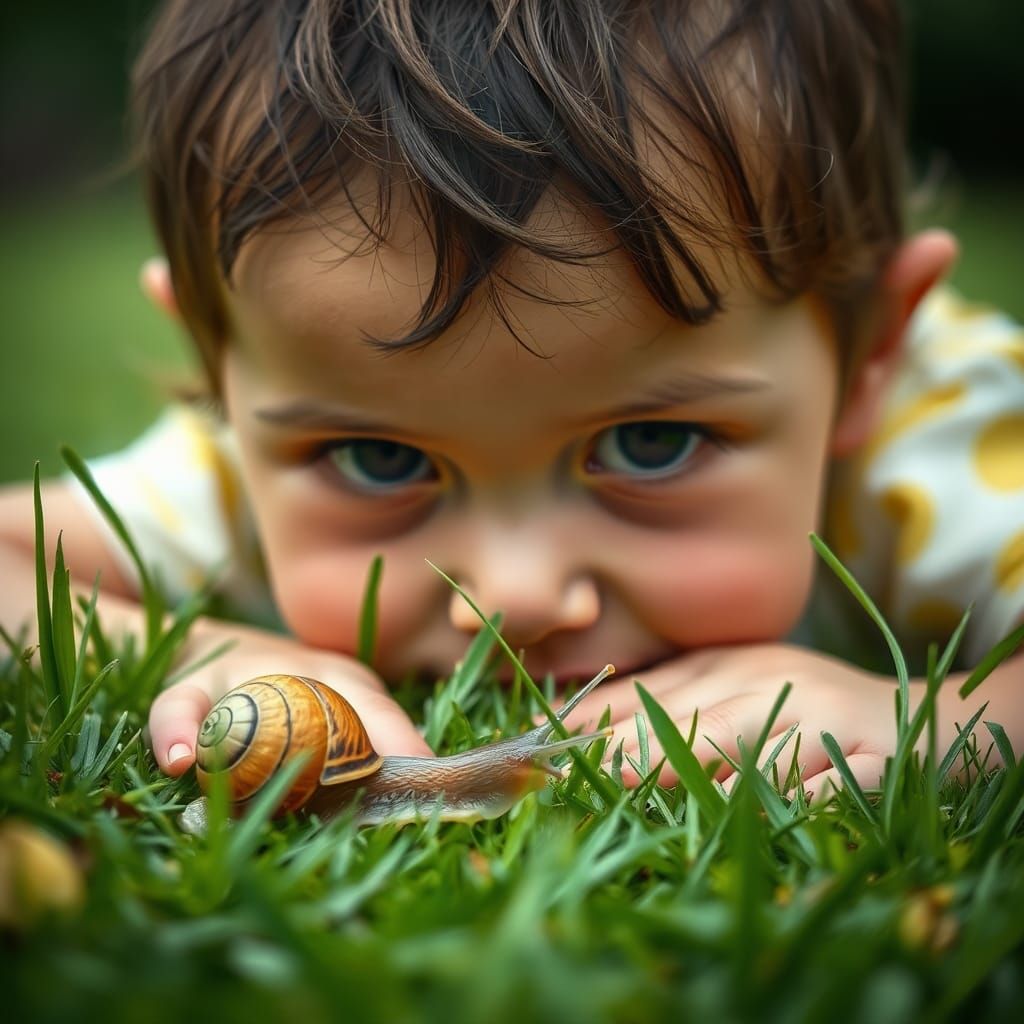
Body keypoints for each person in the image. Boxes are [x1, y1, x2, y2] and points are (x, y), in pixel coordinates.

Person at [0, 1, 1021, 800]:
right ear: (224, 369)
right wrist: (215, 653)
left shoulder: (938, 440)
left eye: (652, 442)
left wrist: (945, 724)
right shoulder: (239, 471)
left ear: (868, 355)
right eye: (381, 460)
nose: (513, 599)